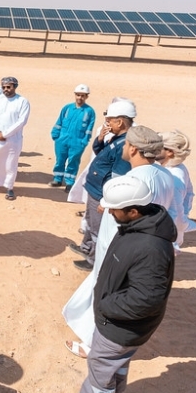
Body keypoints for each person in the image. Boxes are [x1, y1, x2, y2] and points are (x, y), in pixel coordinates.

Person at [65, 176, 176, 393]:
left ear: (133, 211)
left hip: (120, 324)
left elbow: (145, 299)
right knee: (116, 365)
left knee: (101, 368)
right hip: (121, 322)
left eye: (114, 209)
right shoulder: (138, 226)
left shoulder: (149, 246)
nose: (108, 212)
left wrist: (106, 305)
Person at [63, 126, 176, 358]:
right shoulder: (164, 175)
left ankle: (94, 345)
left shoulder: (136, 178)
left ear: (133, 149)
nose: (124, 147)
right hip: (132, 245)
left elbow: (131, 214)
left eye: (126, 145)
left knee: (109, 295)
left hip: (120, 248)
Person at [69, 100, 135, 269]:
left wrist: (107, 201)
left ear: (120, 122)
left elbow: (116, 178)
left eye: (110, 121)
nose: (108, 124)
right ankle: (87, 249)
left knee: (98, 230)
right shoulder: (118, 139)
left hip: (101, 194)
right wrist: (100, 139)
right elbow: (101, 153)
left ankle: (93, 261)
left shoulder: (124, 145)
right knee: (90, 223)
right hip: (94, 190)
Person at [50, 84, 96, 192]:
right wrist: (55, 134)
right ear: (75, 95)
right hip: (62, 139)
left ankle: (70, 183)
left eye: (83, 96)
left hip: (77, 141)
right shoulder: (67, 108)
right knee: (60, 160)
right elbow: (59, 121)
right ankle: (57, 179)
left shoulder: (89, 111)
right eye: (78, 95)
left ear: (86, 97)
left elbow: (90, 128)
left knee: (73, 162)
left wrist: (84, 141)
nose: (80, 98)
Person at [158, 129, 196, 248]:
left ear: (169, 152)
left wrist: (191, 224)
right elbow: (189, 195)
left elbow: (178, 219)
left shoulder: (174, 179)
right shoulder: (181, 168)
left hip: (166, 238)